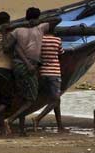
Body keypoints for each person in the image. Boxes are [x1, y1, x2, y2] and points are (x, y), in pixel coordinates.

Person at [4, 7, 61, 136]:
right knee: (31, 99)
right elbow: (57, 19)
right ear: (37, 18)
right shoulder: (40, 28)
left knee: (24, 97)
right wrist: (40, 21)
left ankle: (22, 130)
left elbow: (7, 47)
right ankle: (11, 120)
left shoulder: (17, 30)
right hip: (28, 67)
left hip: (17, 66)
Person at [32, 28, 66, 132]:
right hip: (54, 73)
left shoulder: (40, 40)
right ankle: (37, 118)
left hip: (42, 72)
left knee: (55, 99)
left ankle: (60, 126)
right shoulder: (57, 40)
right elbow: (61, 54)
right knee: (55, 99)